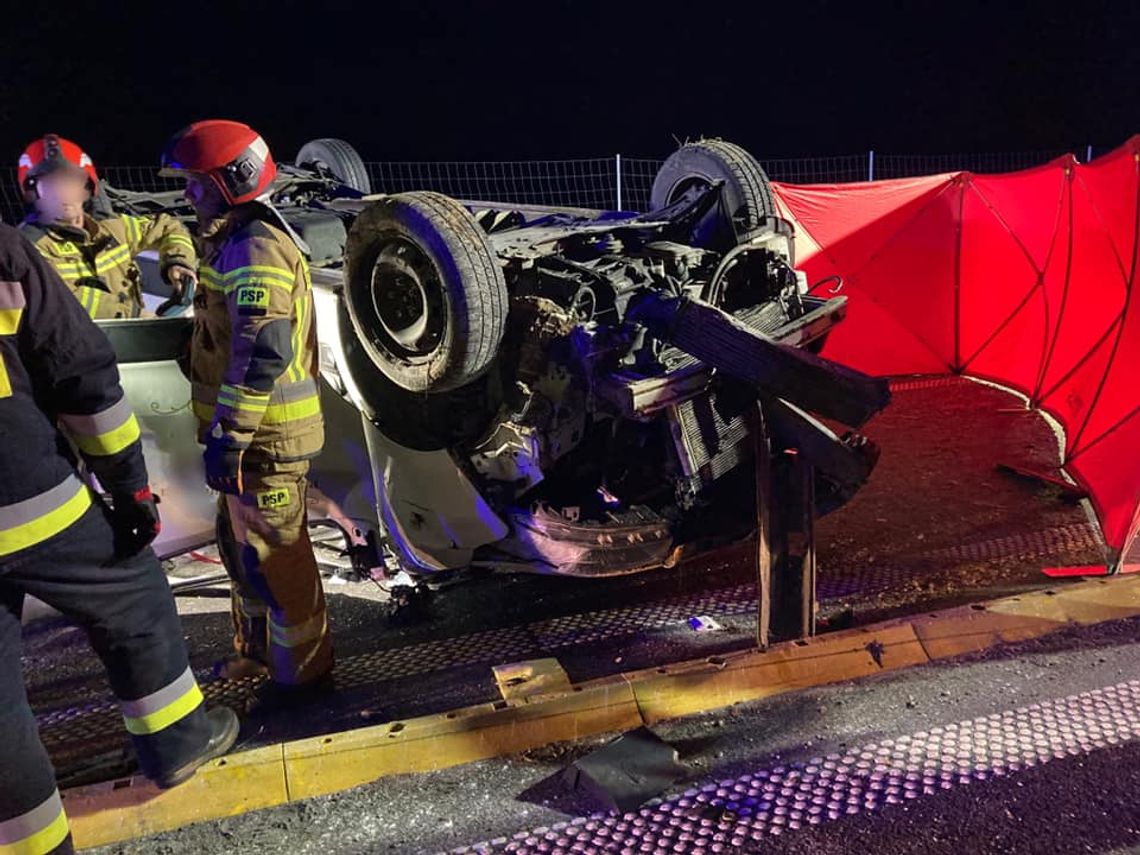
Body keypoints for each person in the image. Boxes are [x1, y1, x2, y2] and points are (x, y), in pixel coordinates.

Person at [0, 222, 238, 855]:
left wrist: (179, 260)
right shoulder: (11, 249)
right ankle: (177, 743)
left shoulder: (106, 231)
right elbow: (80, 371)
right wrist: (129, 487)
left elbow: (162, 230)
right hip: (29, 502)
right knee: (133, 596)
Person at [159, 120, 332, 696]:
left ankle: (305, 682)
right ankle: (258, 658)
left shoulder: (256, 245)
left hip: (265, 443)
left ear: (232, 180)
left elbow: (263, 349)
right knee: (244, 558)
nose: (189, 194)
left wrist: (229, 438)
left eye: (197, 182)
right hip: (251, 443)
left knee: (278, 565)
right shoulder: (231, 241)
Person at [17, 134, 198, 319]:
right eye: (49, 185)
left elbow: (167, 227)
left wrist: (177, 262)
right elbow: (60, 297)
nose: (62, 193)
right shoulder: (27, 247)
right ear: (33, 194)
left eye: (70, 181)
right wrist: (134, 315)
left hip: (133, 333)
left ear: (87, 187)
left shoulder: (113, 228)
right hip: (84, 338)